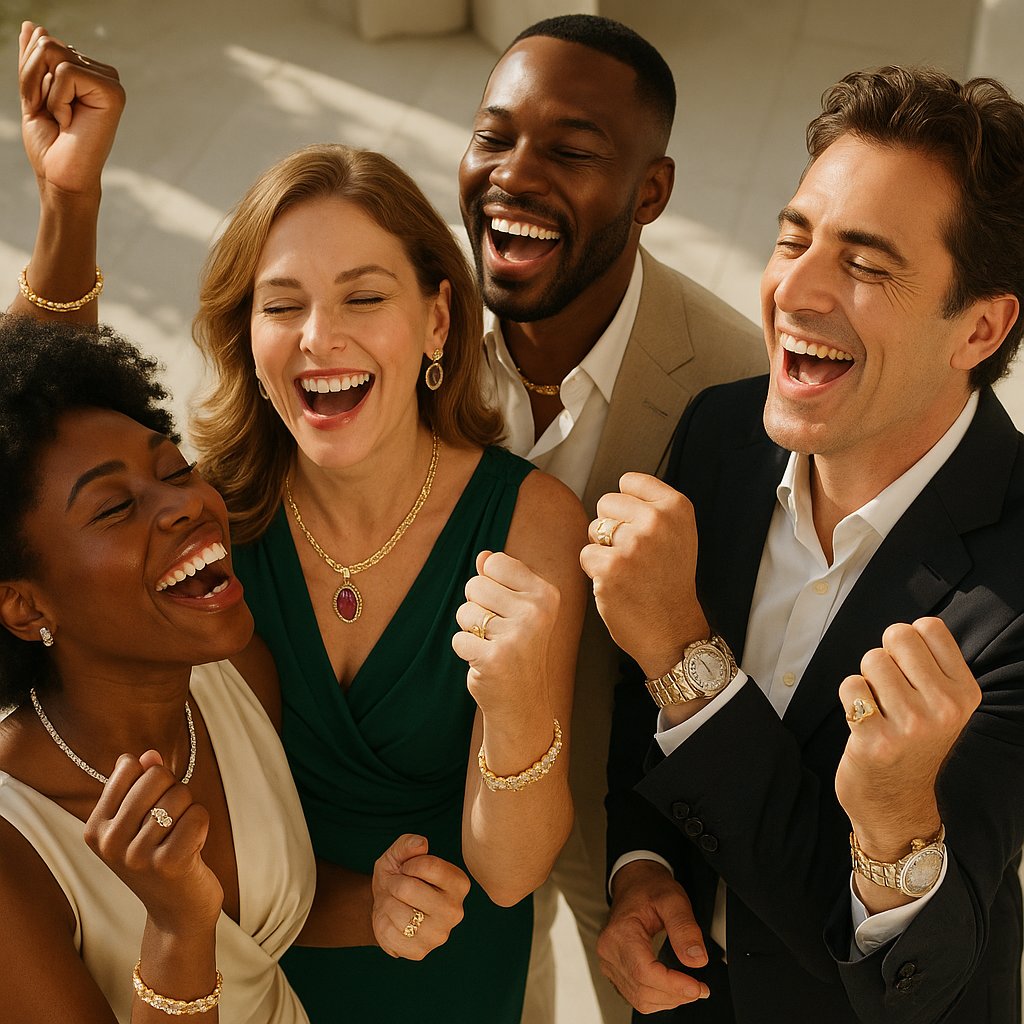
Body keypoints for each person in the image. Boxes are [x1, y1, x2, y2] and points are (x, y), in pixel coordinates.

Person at [14, 22, 588, 1024]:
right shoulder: (209, 517)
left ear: (438, 322)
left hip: (446, 971)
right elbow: (36, 473)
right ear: (249, 335)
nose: (321, 337)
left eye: (364, 295)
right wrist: (69, 200)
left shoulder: (529, 522)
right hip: (253, 968)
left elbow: (509, 870)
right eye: (282, 306)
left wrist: (517, 701)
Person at [584, 65, 1024, 1023]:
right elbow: (635, 701)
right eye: (795, 238)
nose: (796, 290)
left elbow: (916, 979)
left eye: (866, 265)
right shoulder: (719, 436)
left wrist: (899, 822)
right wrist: (641, 866)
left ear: (979, 327)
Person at [0, 316, 469, 1022]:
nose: (186, 505)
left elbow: (254, 926)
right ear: (24, 606)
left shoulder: (235, 673)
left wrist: (374, 901)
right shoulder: (12, 850)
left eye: (174, 470)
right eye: (117, 508)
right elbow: (201, 924)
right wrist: (174, 928)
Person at [458, 15, 767, 1022]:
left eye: (572, 150)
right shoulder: (415, 336)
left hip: (634, 831)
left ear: (651, 192)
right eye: (494, 136)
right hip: (452, 802)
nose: (514, 174)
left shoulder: (737, 388)